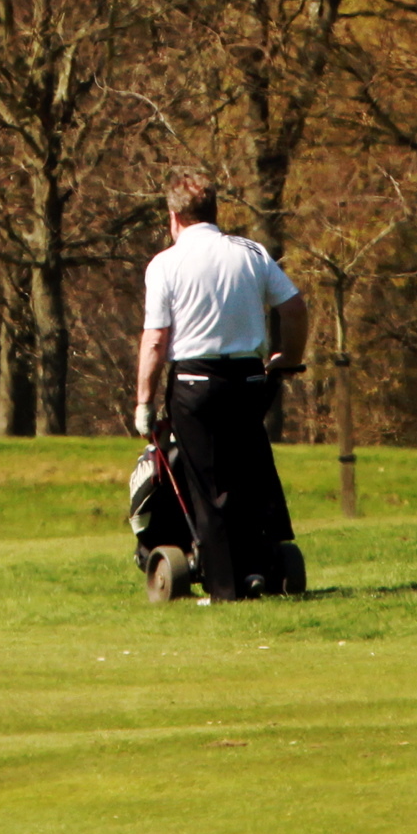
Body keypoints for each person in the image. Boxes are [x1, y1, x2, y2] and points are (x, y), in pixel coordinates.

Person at [132, 173, 308, 602]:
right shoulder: (251, 253)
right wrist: (289, 357)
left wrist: (143, 401)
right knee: (248, 470)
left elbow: (156, 340)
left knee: (207, 486)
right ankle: (261, 565)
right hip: (249, 380)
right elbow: (294, 307)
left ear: (174, 216)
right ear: (214, 211)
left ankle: (223, 585)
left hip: (195, 382)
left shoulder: (166, 264)